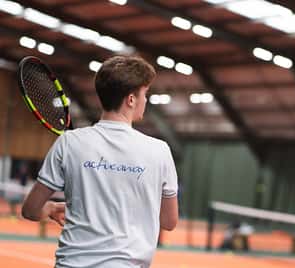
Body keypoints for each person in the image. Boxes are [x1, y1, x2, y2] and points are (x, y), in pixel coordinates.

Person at [21, 55, 179, 268]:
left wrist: (50, 208)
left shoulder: (69, 142)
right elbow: (169, 222)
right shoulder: (160, 151)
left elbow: (30, 210)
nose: (146, 100)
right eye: (145, 94)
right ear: (131, 100)